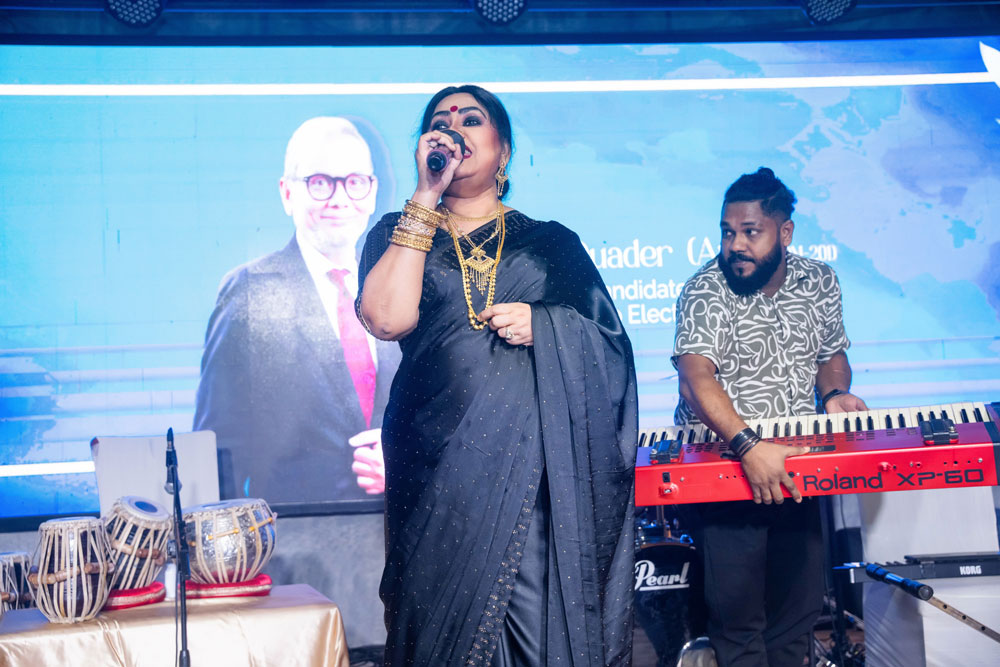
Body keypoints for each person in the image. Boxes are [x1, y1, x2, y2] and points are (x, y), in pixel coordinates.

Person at [356, 85, 638, 667]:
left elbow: (611, 347)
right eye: (440, 121)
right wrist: (425, 195)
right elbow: (386, 319)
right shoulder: (395, 231)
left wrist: (549, 327)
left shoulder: (550, 243)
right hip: (431, 465)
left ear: (503, 150)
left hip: (530, 479)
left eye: (471, 119)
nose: (453, 127)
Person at [672, 167, 867, 667]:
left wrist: (835, 393)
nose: (735, 245)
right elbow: (695, 379)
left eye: (749, 232)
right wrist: (749, 446)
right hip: (725, 469)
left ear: (785, 232)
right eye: (727, 232)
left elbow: (830, 354)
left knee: (796, 618)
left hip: (797, 468)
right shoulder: (705, 289)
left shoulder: (819, 280)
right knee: (738, 626)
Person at [194, 116, 400, 504]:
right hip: (294, 534)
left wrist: (404, 465)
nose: (340, 198)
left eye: (355, 181)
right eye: (320, 183)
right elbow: (219, 449)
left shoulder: (398, 287)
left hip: (398, 532)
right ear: (287, 193)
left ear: (372, 191)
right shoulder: (249, 292)